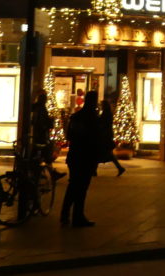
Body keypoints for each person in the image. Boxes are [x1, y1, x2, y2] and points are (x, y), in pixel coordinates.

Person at [61, 90, 100, 227]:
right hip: (86, 156)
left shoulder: (76, 116)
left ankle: (65, 214)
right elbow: (94, 139)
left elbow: (70, 136)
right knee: (81, 187)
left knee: (73, 185)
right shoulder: (92, 117)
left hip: (75, 155)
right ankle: (77, 216)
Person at [32, 91, 65, 180]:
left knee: (40, 156)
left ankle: (41, 172)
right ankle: (50, 173)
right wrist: (50, 121)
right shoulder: (42, 109)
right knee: (46, 155)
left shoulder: (35, 108)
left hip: (36, 136)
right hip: (41, 136)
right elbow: (45, 123)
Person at [98, 100, 126, 176]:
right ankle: (120, 168)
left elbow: (102, 123)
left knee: (103, 153)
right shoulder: (108, 113)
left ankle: (120, 168)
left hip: (105, 136)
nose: (101, 106)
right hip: (107, 135)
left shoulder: (105, 114)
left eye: (102, 105)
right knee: (105, 153)